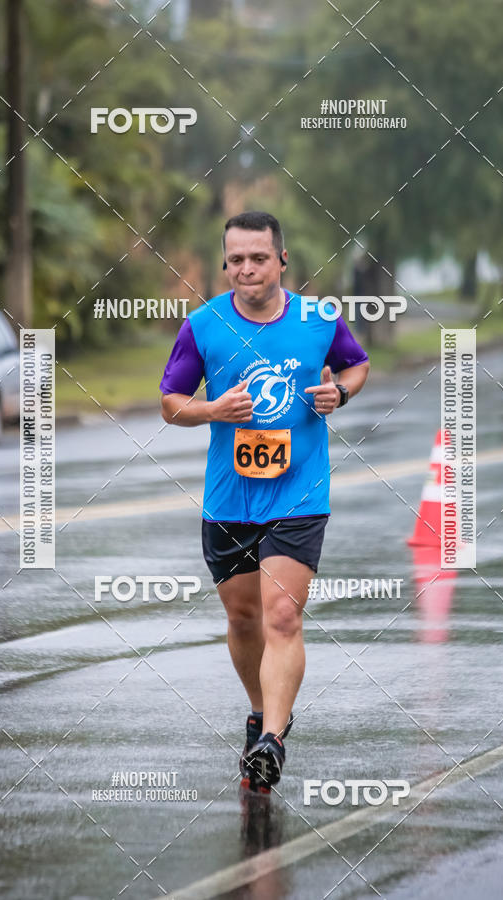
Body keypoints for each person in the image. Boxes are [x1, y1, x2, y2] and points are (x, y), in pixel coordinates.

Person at [160, 211, 369, 792]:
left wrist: (339, 394)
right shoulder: (202, 326)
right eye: (235, 260)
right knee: (244, 617)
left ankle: (272, 739)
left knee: (281, 615)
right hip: (228, 498)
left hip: (300, 491)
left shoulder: (319, 319)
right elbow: (171, 402)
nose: (246, 269)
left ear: (282, 260)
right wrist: (211, 410)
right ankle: (260, 712)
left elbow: (356, 365)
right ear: (224, 264)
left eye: (258, 257)